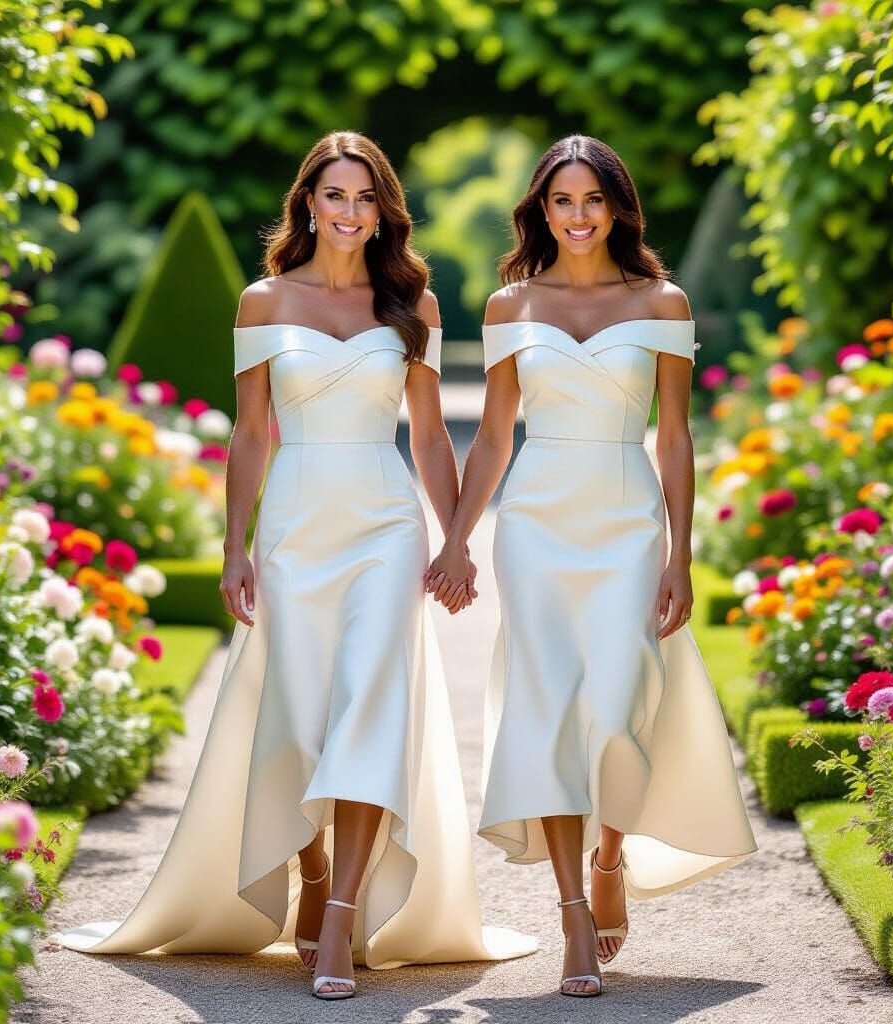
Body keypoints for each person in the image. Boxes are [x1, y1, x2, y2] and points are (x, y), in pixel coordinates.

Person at [57, 130, 536, 1001]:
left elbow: (430, 437)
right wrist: (234, 545)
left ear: (382, 209)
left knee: (368, 713)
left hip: (384, 526)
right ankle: (311, 877)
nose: (350, 213)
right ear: (307, 203)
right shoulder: (263, 302)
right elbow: (251, 434)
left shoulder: (413, 305)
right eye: (334, 196)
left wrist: (455, 537)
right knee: (300, 723)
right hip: (293, 528)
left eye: (365, 198)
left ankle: (343, 918)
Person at [425, 134, 758, 998]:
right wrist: (459, 534)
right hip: (534, 522)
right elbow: (495, 434)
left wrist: (681, 554)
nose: (577, 216)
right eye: (562, 201)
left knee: (616, 706)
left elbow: (676, 437)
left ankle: (612, 852)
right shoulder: (509, 306)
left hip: (626, 519)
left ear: (617, 209)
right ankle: (573, 911)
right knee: (549, 714)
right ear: (541, 208)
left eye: (593, 201)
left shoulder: (662, 300)